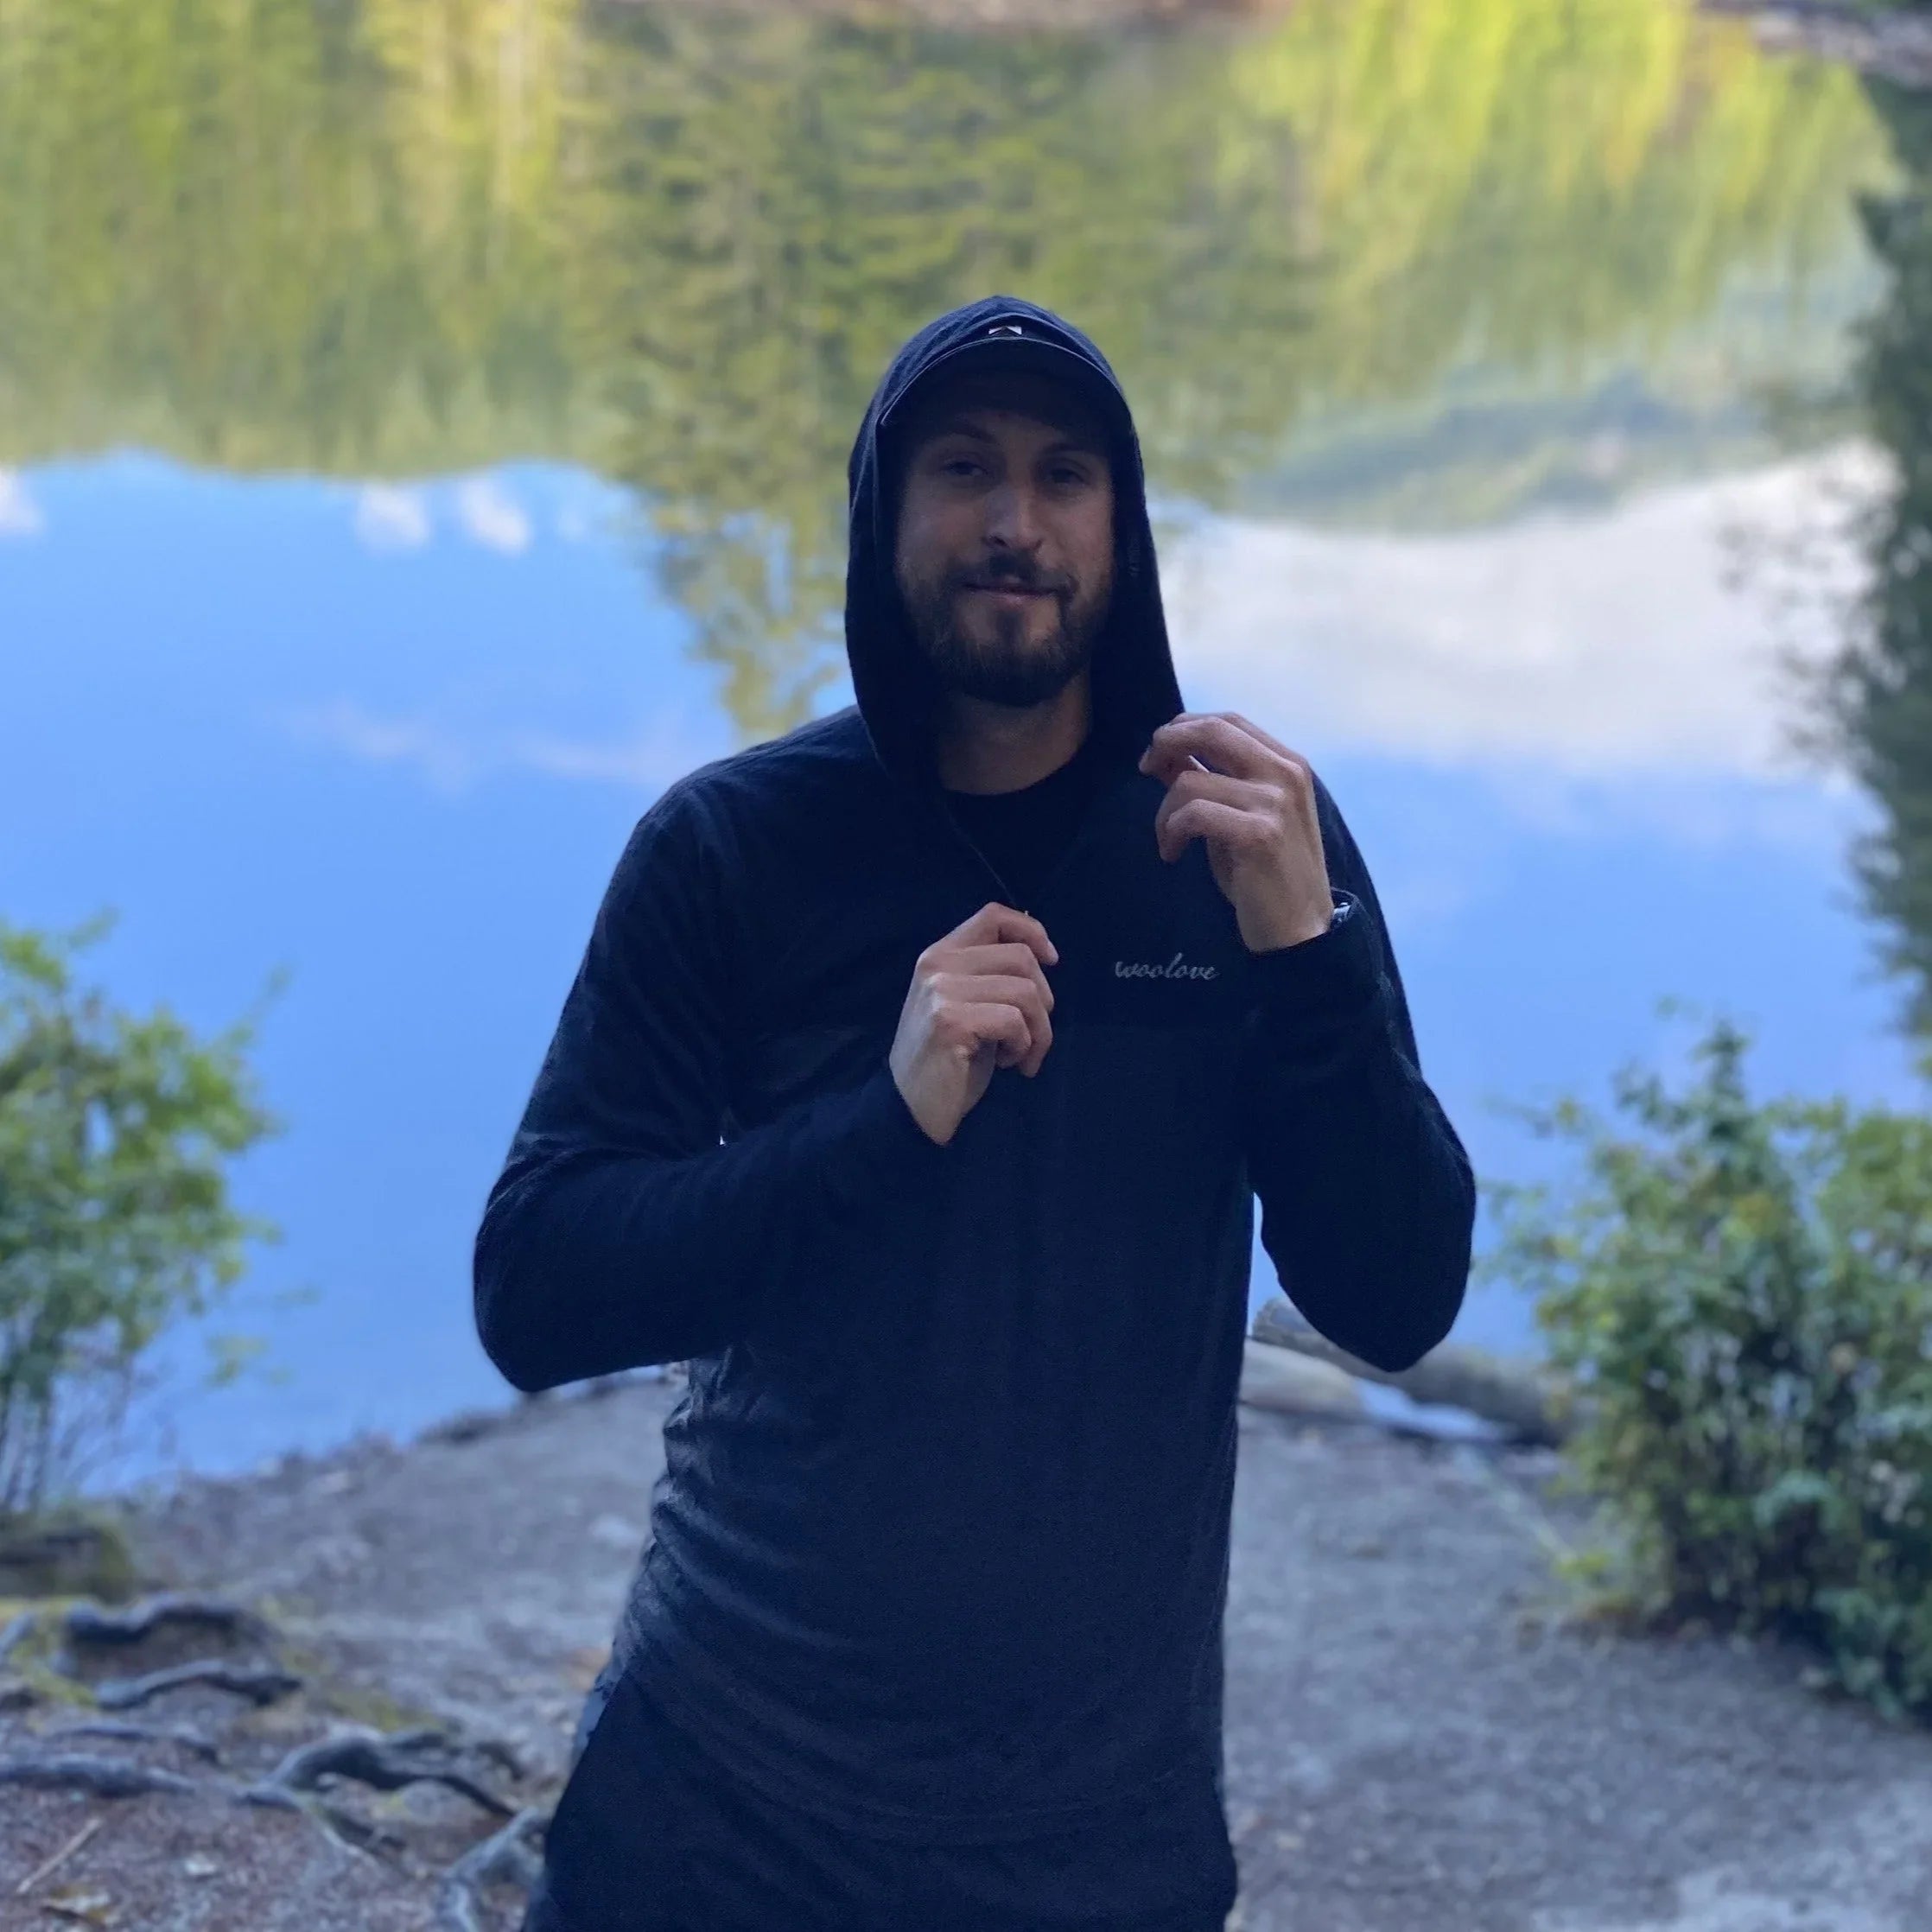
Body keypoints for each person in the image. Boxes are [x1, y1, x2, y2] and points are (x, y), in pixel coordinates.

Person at [475, 296, 1476, 1931]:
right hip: (723, 1793)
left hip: (1098, 1834)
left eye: (1064, 475)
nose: (1016, 523)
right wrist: (880, 1117)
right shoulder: (731, 848)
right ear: (886, 517)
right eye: (963, 468)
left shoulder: (1250, 847)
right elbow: (537, 1288)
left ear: (1123, 526)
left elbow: (1398, 1294)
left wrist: (1312, 958)